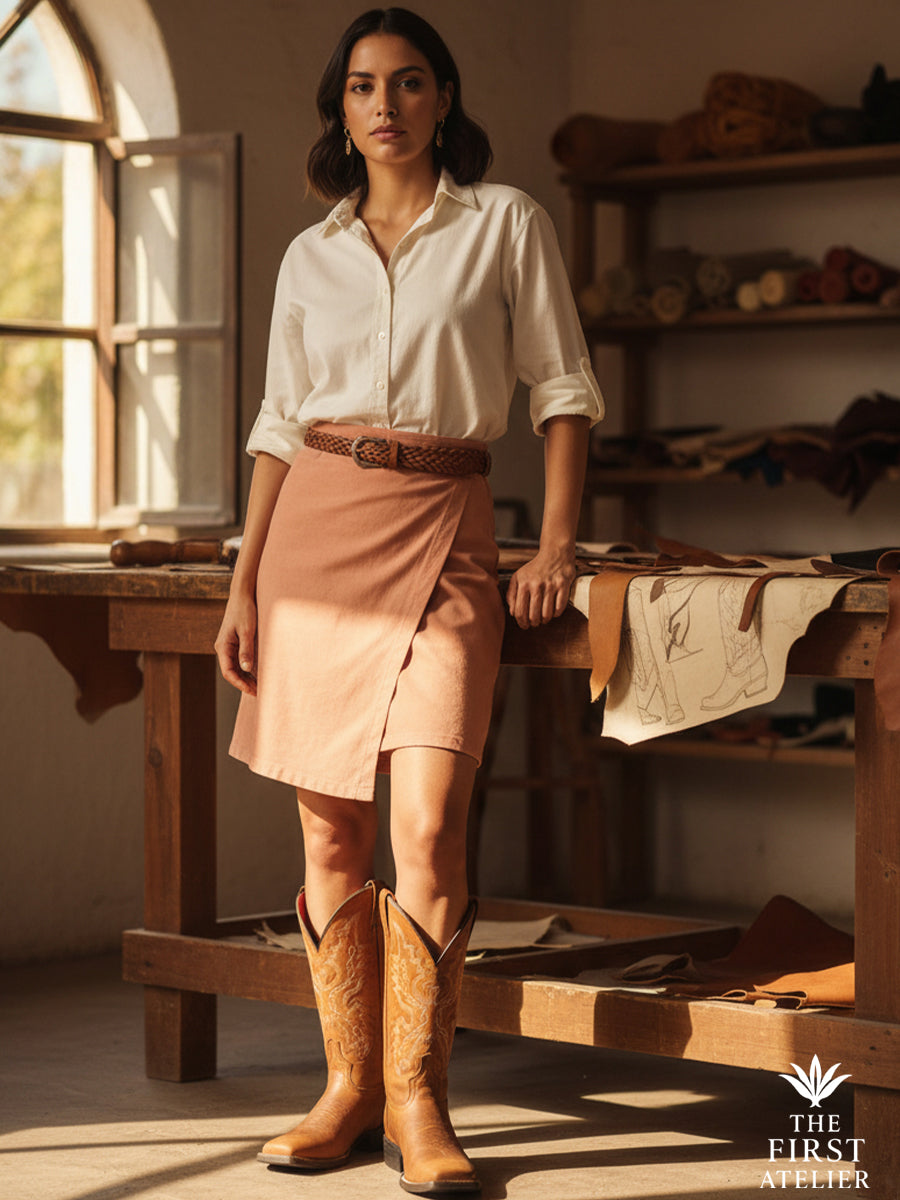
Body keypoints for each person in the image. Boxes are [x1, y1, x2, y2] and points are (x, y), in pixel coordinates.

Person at [214, 7, 603, 1194]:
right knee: (331, 830)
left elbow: (563, 386)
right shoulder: (308, 254)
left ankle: (419, 1099)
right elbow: (281, 426)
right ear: (340, 108)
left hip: (447, 531)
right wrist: (243, 583)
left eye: (410, 83)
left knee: (428, 825)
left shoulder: (505, 225)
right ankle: (346, 1089)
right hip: (312, 546)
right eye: (363, 87)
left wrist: (557, 541)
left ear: (444, 98)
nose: (386, 105)